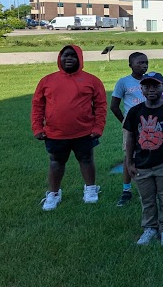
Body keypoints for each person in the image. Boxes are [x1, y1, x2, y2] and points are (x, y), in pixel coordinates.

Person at [31, 44, 107, 209]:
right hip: (55, 133)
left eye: (73, 55)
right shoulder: (47, 81)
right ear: (60, 58)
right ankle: (53, 194)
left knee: (86, 159)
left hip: (84, 132)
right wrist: (37, 127)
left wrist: (97, 128)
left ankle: (90, 189)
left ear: (80, 58)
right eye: (66, 55)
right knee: (56, 162)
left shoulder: (92, 80)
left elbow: (100, 106)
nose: (69, 58)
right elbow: (37, 105)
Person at [124, 72, 163, 246]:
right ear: (141, 89)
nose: (151, 90)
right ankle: (150, 228)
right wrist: (129, 162)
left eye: (155, 86)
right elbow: (131, 139)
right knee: (147, 199)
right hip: (142, 164)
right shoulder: (135, 112)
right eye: (147, 86)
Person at [110, 51, 148, 206]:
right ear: (130, 65)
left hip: (148, 124)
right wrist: (125, 122)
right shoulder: (123, 82)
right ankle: (126, 190)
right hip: (131, 125)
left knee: (147, 155)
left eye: (146, 62)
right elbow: (114, 106)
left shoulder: (150, 80)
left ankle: (146, 189)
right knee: (129, 157)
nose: (144, 65)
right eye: (140, 63)